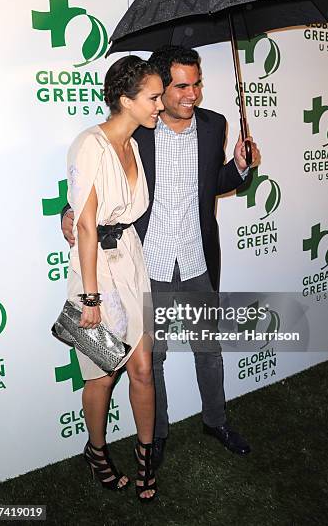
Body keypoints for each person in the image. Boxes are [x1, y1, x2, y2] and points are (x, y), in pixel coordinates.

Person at [62, 45, 261, 468]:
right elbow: (98, 182)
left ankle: (216, 421)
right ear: (159, 90)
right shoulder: (138, 133)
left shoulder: (214, 126)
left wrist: (239, 167)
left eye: (198, 84)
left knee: (209, 349)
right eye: (181, 86)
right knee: (152, 361)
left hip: (196, 259)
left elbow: (214, 182)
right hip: (146, 265)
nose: (193, 95)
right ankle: (158, 435)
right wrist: (70, 212)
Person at [66, 55, 163, 501]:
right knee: (102, 375)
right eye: (154, 97)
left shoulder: (137, 145)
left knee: (142, 368)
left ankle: (146, 455)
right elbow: (85, 225)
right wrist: (90, 299)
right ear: (126, 100)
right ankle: (97, 451)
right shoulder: (90, 144)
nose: (159, 105)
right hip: (97, 272)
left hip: (131, 259)